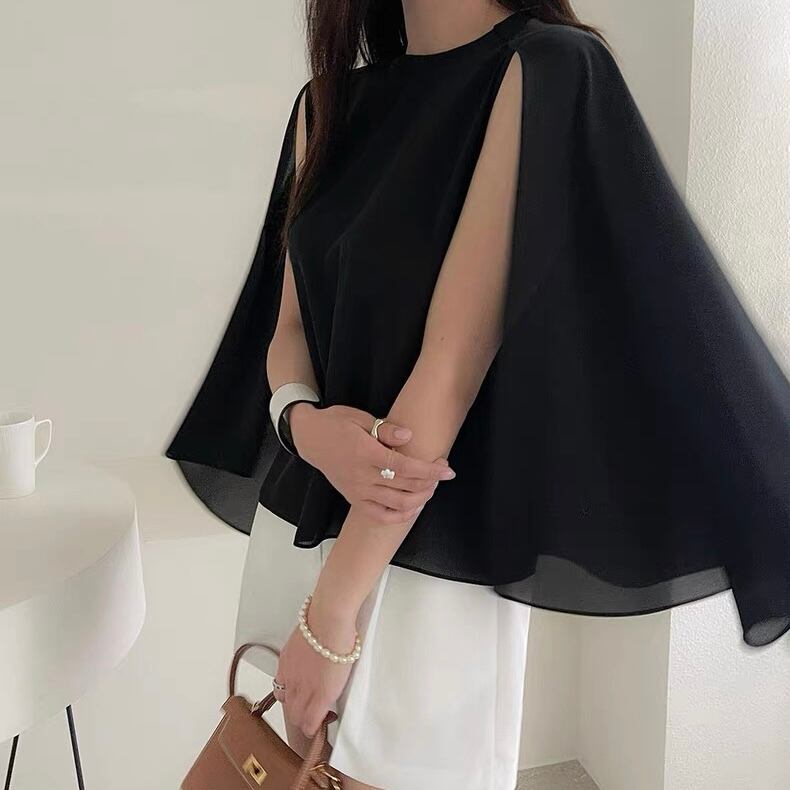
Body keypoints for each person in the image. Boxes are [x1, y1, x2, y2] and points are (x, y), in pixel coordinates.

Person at [165, 2, 790, 788]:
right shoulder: (323, 106)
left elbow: (451, 366)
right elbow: (286, 327)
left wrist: (331, 618)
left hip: (425, 563)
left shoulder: (544, 67)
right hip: (296, 530)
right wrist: (304, 427)